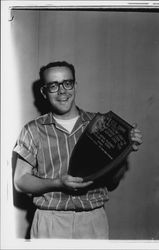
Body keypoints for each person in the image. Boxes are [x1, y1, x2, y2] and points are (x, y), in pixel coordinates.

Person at [13, 61, 142, 239]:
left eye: (67, 83)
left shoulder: (100, 125)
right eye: (53, 86)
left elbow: (112, 183)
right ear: (44, 92)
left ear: (75, 85)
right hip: (50, 221)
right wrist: (57, 183)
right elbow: (20, 181)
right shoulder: (32, 129)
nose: (62, 91)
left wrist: (125, 152)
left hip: (92, 221)